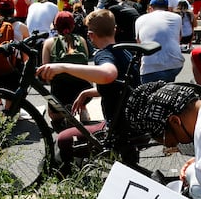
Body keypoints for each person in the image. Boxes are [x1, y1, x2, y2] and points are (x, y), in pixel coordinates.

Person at [35, 9, 140, 171]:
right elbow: (121, 85)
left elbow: (108, 74)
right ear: (115, 29)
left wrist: (63, 67)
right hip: (132, 121)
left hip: (117, 127)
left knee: (63, 138)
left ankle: (68, 178)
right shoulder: (124, 51)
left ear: (90, 35)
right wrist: (87, 92)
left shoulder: (103, 55)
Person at [134, 0, 183, 82]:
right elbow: (178, 38)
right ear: (167, 7)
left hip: (150, 67)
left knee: (148, 92)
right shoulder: (177, 17)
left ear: (150, 7)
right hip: (175, 63)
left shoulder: (140, 19)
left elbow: (139, 43)